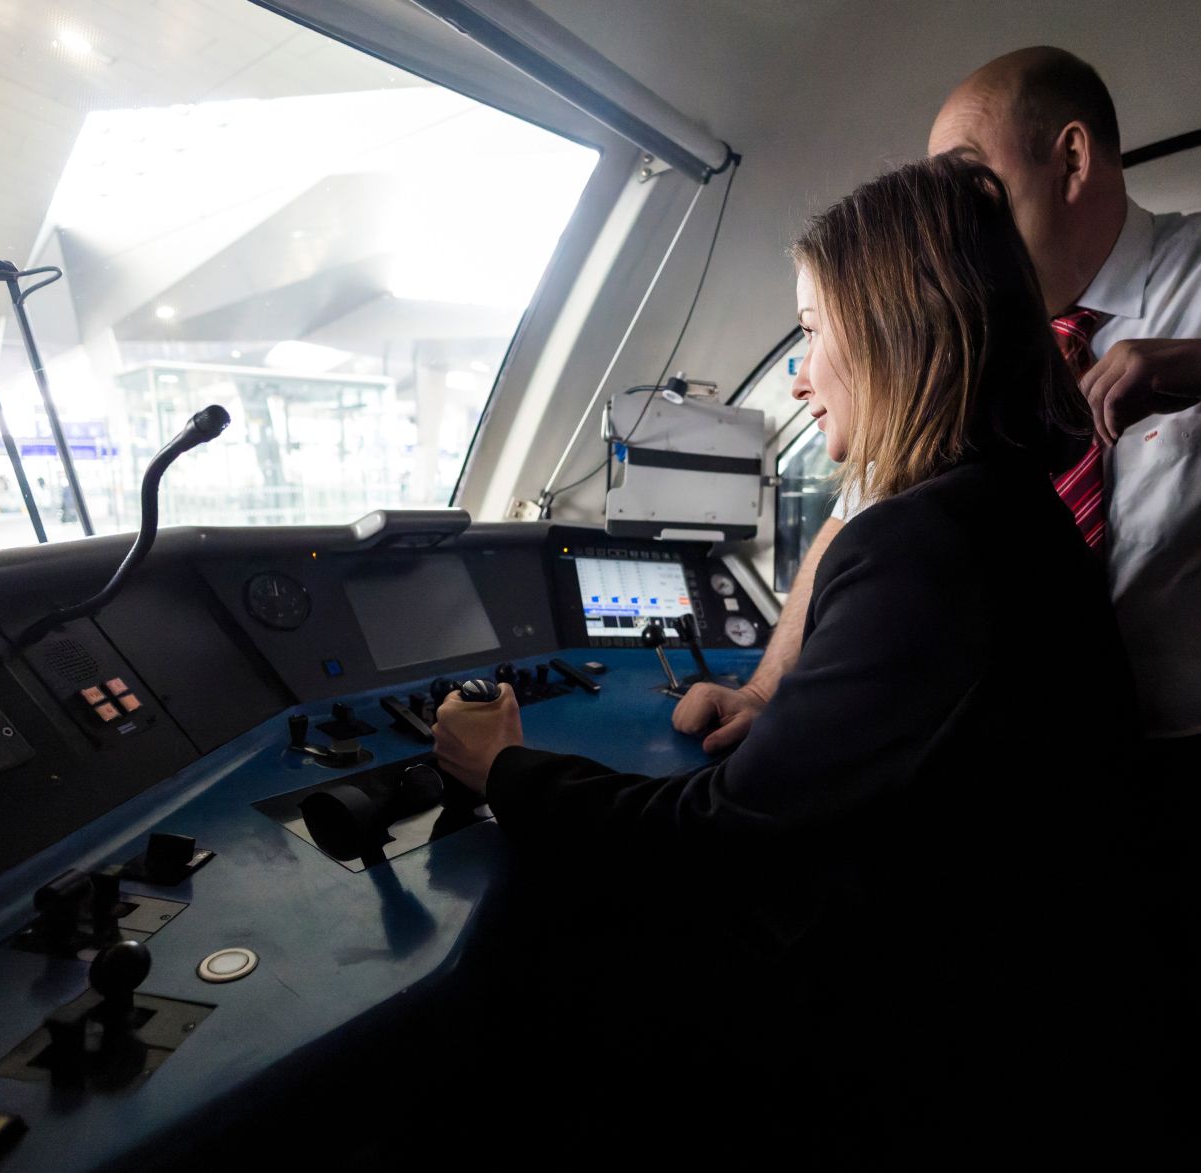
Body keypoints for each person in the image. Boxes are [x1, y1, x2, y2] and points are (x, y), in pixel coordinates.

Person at [433, 154, 1163, 1158]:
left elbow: (708, 842)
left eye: (812, 331)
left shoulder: (922, 541)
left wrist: (499, 767)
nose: (795, 372)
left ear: (893, 332)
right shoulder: (1008, 508)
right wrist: (789, 721)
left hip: (915, 1052)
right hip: (1016, 1000)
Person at [677, 45, 1201, 745]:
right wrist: (762, 690)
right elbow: (858, 512)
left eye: (970, 184)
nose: (946, 218)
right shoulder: (963, 342)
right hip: (1014, 770)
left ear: (1071, 161)